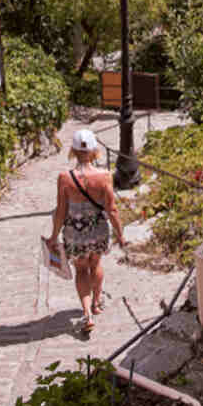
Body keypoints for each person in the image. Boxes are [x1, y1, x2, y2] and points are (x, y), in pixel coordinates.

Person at [45, 129, 126, 332]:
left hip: (75, 232)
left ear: (73, 150)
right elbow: (112, 209)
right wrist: (120, 234)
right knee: (96, 264)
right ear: (94, 150)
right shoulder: (105, 176)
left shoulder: (65, 178)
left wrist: (53, 237)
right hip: (98, 229)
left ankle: (87, 313)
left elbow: (61, 211)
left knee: (81, 269)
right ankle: (97, 303)